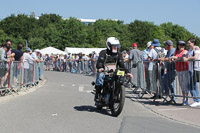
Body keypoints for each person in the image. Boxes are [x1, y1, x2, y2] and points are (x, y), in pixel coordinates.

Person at [183, 38, 200, 107]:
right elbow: (185, 56)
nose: (188, 44)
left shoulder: (196, 49)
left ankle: (197, 100)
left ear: (193, 43)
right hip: (190, 69)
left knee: (191, 86)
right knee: (194, 86)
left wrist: (187, 59)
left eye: (189, 43)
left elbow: (195, 57)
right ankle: (197, 100)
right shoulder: (190, 50)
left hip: (195, 69)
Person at [171, 41, 189, 105]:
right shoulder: (176, 52)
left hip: (185, 69)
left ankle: (186, 98)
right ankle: (184, 98)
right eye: (180, 45)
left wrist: (176, 58)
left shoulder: (186, 51)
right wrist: (172, 59)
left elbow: (184, 58)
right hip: (178, 70)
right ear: (178, 45)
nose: (182, 46)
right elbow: (173, 58)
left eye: (183, 45)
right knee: (181, 84)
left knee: (185, 84)